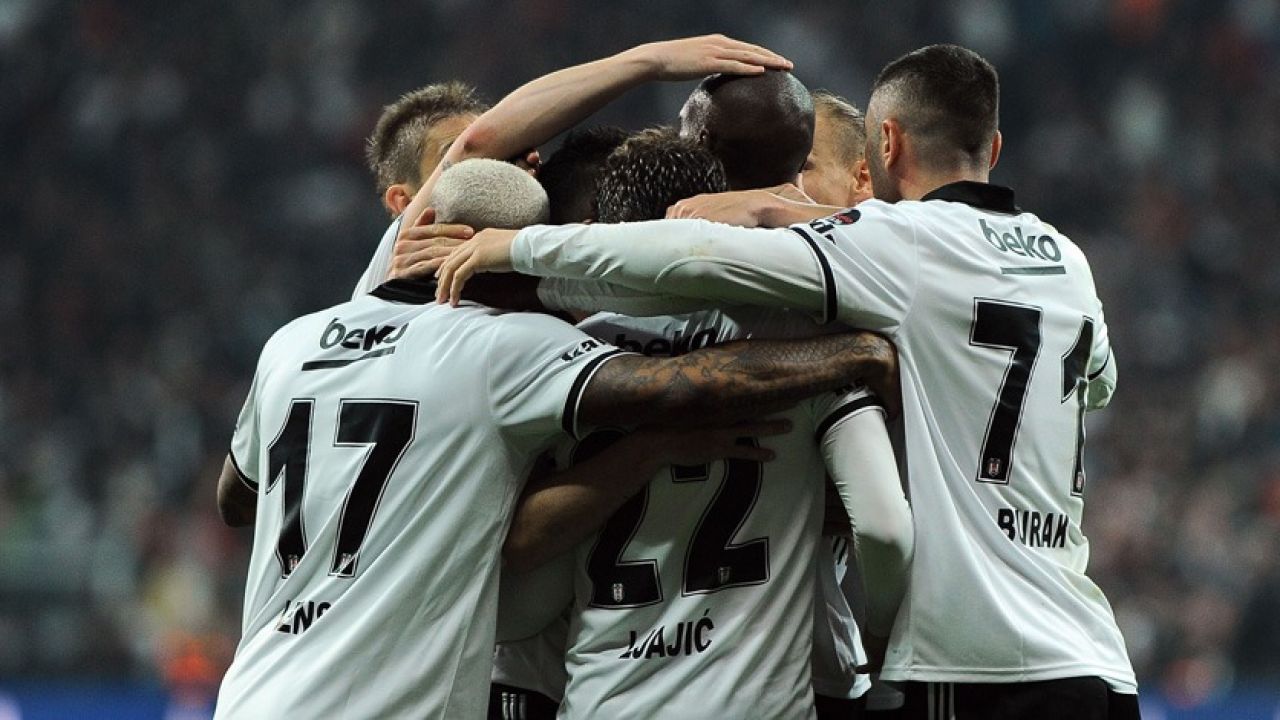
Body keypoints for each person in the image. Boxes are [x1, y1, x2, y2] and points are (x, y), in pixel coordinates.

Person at [434, 44, 1138, 720]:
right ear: (995, 146)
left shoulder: (579, 358)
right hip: (1090, 653)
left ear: (886, 142)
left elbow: (694, 259)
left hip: (963, 659)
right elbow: (1097, 384)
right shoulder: (1066, 260)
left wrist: (518, 252)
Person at [213, 158, 898, 718]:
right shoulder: (504, 347)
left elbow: (237, 498)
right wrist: (858, 352)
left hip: (254, 693)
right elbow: (679, 387)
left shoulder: (291, 343)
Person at [491, 130, 908, 720]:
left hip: (606, 700)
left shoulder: (571, 363)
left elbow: (524, 603)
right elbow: (886, 528)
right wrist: (886, 634)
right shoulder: (809, 347)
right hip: (759, 705)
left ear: (607, 233)